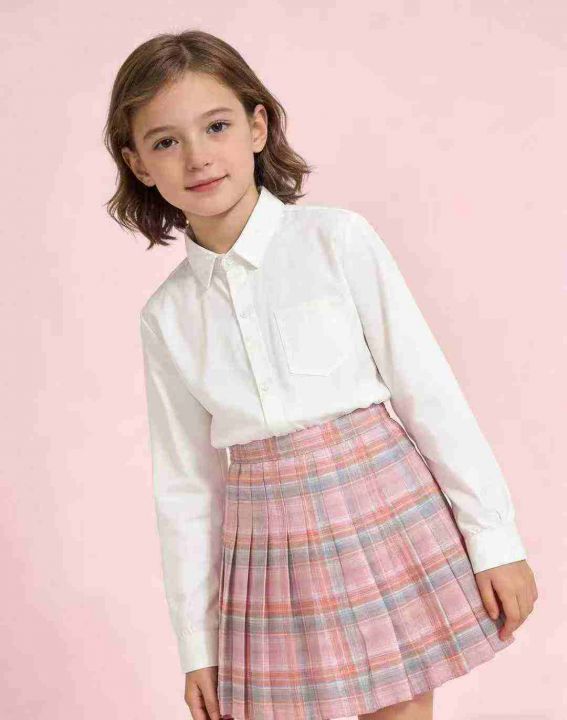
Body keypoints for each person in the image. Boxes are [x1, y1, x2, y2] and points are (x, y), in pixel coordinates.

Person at [103, 29, 538, 720]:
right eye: (165, 141)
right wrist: (197, 645)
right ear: (138, 163)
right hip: (266, 544)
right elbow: (185, 487)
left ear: (256, 126)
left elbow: (426, 391)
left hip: (379, 509)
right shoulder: (167, 317)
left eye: (216, 126)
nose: (197, 156)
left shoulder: (336, 240)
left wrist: (494, 540)